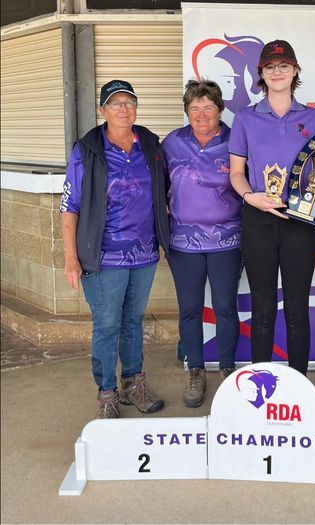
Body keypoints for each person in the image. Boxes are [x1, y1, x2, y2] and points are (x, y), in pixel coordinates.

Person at [60, 79, 170, 419]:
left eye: (129, 102)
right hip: (103, 255)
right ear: (102, 110)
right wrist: (70, 258)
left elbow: (165, 190)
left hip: (144, 254)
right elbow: (70, 205)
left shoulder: (150, 144)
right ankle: (106, 393)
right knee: (107, 324)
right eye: (116, 103)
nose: (124, 109)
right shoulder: (87, 149)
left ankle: (133, 382)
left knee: (133, 320)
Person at [229, 39, 315, 376]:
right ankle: (260, 386)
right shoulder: (245, 119)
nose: (277, 72)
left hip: (300, 221)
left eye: (284, 66)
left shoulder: (313, 117)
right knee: (262, 308)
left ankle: (298, 386)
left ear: (295, 71)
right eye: (270, 67)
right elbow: (236, 173)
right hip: (258, 219)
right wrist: (251, 197)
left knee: (296, 307)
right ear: (261, 74)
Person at [162, 80, 242, 408]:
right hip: (183, 242)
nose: (201, 114)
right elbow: (156, 187)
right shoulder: (171, 143)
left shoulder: (236, 139)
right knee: (190, 309)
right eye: (194, 108)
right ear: (186, 112)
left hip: (228, 240)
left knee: (225, 307)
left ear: (220, 110)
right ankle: (195, 370)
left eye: (208, 107)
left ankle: (226, 370)